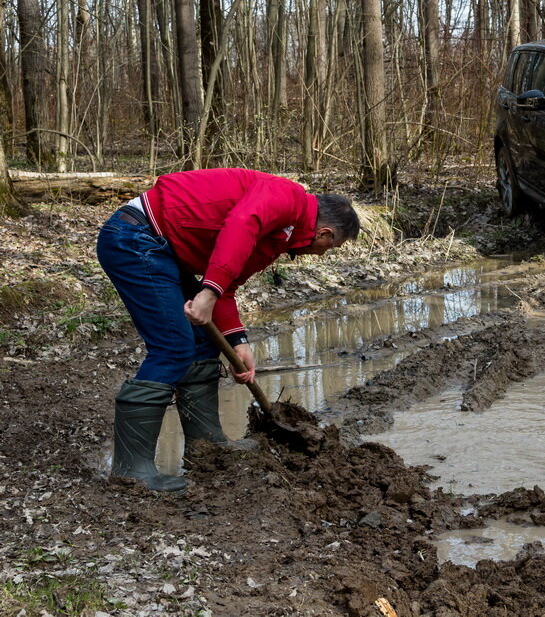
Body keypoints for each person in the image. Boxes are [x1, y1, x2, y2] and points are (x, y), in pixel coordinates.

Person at [96, 168, 360, 491]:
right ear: (325, 235)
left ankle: (206, 448)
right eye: (329, 249)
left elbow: (228, 285)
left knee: (204, 344)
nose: (320, 254)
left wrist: (239, 341)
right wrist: (207, 291)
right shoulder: (287, 198)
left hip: (162, 249)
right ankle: (131, 472)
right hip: (138, 238)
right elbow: (241, 224)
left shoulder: (280, 235)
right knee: (174, 346)